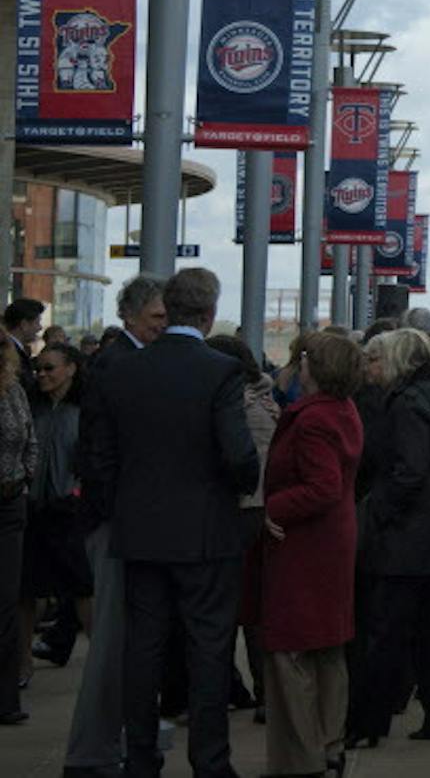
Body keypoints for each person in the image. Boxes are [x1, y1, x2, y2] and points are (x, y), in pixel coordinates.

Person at [84, 265, 258, 778]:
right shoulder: (220, 371)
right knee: (208, 650)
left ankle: (140, 757)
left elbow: (99, 456)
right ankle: (210, 761)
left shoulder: (121, 370)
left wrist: (118, 508)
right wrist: (241, 485)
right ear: (208, 313)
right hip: (206, 531)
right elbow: (238, 454)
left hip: (140, 529)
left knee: (143, 648)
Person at [64, 273, 165, 778]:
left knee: (120, 639)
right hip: (116, 522)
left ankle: (109, 740)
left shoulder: (121, 361)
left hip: (118, 517)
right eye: (156, 317)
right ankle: (93, 750)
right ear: (131, 315)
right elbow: (102, 452)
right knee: (110, 640)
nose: (162, 326)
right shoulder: (119, 365)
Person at [350, 328, 430, 744]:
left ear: (394, 361)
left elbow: (410, 470)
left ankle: (367, 722)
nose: (369, 368)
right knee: (428, 624)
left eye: (374, 360)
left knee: (387, 627)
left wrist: (378, 510)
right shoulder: (429, 394)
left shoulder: (404, 404)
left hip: (409, 530)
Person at [253, 331, 365, 778]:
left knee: (291, 651)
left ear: (316, 369)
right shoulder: (344, 410)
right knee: (328, 648)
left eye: (304, 359)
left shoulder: (312, 419)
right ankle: (329, 744)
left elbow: (322, 486)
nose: (299, 364)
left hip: (304, 543)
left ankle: (301, 758)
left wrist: (272, 508)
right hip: (332, 539)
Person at [207, 336, 278, 713]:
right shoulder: (265, 398)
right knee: (255, 608)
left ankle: (236, 688)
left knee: (229, 606)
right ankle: (265, 690)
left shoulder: (236, 404)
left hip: (240, 508)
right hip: (263, 506)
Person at [21, 344, 91, 683]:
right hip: (33, 508)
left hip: (70, 510)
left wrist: (79, 491)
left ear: (71, 368)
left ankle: (101, 667)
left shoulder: (87, 409)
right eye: (39, 369)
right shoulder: (31, 405)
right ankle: (21, 663)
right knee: (26, 590)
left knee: (82, 587)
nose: (42, 375)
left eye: (50, 368)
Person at [0, 325, 38, 725]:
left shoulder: (14, 391)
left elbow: (30, 438)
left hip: (11, 502)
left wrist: (26, 474)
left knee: (7, 601)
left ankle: (6, 700)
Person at [5, 296, 45, 397]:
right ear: (24, 325)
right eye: (37, 322)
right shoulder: (8, 352)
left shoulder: (13, 349)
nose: (40, 327)